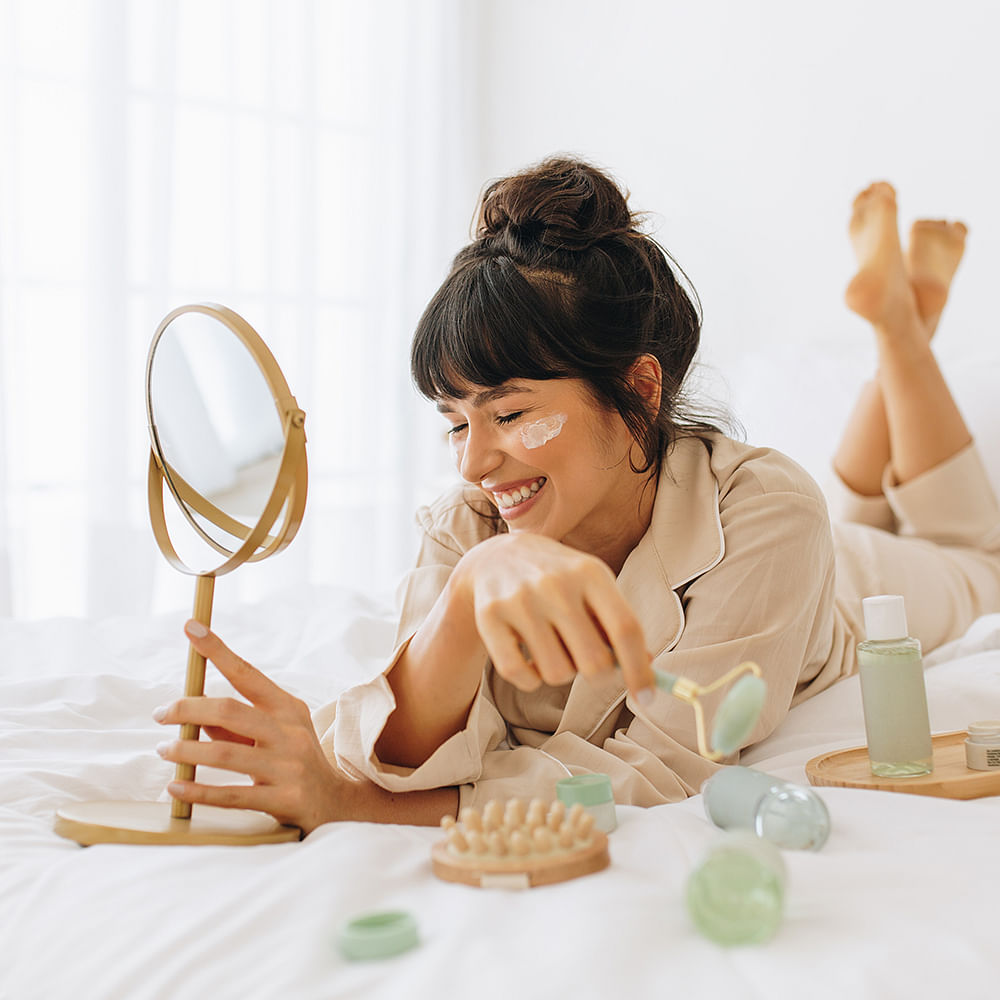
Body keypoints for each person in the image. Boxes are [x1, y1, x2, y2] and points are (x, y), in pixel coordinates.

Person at [153, 159, 1000, 835]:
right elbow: (402, 742)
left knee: (976, 559)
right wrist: (470, 591)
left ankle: (898, 330)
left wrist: (356, 808)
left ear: (636, 388)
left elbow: (662, 769)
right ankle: (902, 326)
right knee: (861, 501)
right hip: (819, 536)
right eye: (456, 422)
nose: (474, 463)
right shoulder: (470, 523)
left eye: (513, 413)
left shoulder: (771, 511)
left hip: (852, 579)